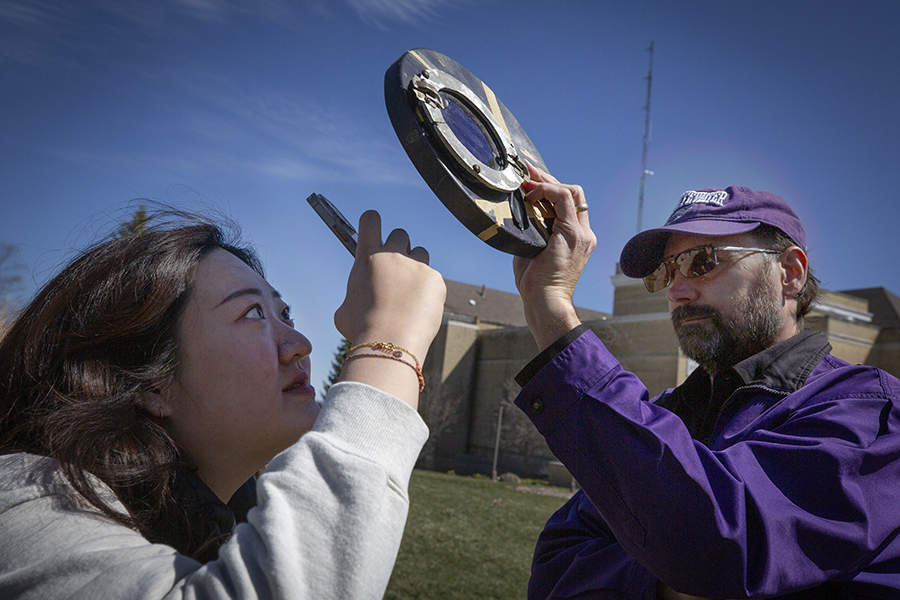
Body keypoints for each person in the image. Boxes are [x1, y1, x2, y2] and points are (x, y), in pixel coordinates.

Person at [0, 206, 446, 599]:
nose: (300, 343)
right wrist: (390, 343)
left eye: (284, 313)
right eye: (252, 312)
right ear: (152, 384)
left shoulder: (229, 518)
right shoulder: (25, 503)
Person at [511, 165, 900, 599]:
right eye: (667, 272)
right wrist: (666, 585)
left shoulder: (870, 413)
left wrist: (554, 316)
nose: (677, 290)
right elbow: (555, 562)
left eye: (702, 261)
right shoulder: (664, 414)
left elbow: (723, 544)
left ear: (790, 273)